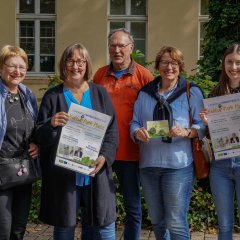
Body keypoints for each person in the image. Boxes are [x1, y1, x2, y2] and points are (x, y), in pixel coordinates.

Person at [34, 43, 118, 240]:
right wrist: (51, 124)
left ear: (87, 65)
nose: (75, 66)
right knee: (65, 227)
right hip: (65, 176)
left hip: (94, 173)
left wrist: (104, 157)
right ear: (64, 65)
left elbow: (112, 131)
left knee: (103, 226)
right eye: (71, 61)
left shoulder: (99, 93)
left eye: (80, 61)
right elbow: (38, 134)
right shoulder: (52, 96)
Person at [130, 46, 205, 240]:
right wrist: (137, 132)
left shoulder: (191, 92)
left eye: (174, 63)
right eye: (164, 62)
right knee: (157, 221)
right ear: (157, 66)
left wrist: (187, 131)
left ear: (180, 66)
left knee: (176, 222)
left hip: (178, 166)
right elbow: (135, 121)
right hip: (149, 165)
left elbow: (203, 126)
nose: (169, 67)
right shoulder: (145, 93)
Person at [93, 28, 153, 240]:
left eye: (121, 45)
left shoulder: (143, 75)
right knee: (100, 205)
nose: (117, 50)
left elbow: (155, 110)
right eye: (113, 45)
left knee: (133, 207)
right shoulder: (100, 74)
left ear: (131, 48)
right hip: (102, 153)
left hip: (131, 152)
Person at [199, 43, 240, 240]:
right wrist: (208, 122)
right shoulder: (217, 92)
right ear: (224, 64)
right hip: (221, 165)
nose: (233, 67)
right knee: (224, 225)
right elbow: (210, 133)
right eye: (229, 62)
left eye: (238, 63)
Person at [0, 45, 38, 240]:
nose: (17, 71)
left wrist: (35, 143)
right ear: (1, 68)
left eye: (22, 67)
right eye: (12, 66)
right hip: (1, 171)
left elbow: (34, 127)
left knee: (18, 228)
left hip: (23, 170)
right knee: (3, 229)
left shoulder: (27, 95)